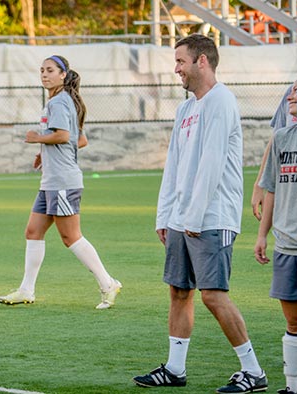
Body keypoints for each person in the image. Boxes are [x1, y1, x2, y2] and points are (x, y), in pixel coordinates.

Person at [132, 34, 267, 393]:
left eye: (180, 61)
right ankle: (175, 369)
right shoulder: (185, 108)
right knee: (179, 291)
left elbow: (211, 164)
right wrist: (166, 216)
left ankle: (253, 371)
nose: (175, 69)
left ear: (202, 61)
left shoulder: (221, 101)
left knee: (213, 294)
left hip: (211, 217)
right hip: (182, 219)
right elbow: (174, 165)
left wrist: (192, 217)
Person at [0, 55, 121, 310]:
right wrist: (45, 154)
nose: (44, 74)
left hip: (63, 181)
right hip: (51, 181)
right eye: (42, 70)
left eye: (50, 70)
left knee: (71, 237)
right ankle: (26, 290)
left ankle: (108, 284)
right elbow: (79, 139)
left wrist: (38, 139)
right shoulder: (59, 101)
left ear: (63, 74)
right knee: (33, 231)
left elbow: (63, 136)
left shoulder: (60, 102)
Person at [254, 81, 297, 394]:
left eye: (296, 91)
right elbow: (271, 189)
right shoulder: (282, 137)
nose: (290, 96)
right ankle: (293, 386)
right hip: (287, 244)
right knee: (293, 323)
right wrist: (262, 234)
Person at [251, 82, 297, 221]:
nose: (291, 97)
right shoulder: (291, 93)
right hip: (288, 209)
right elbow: (275, 143)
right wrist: (259, 186)